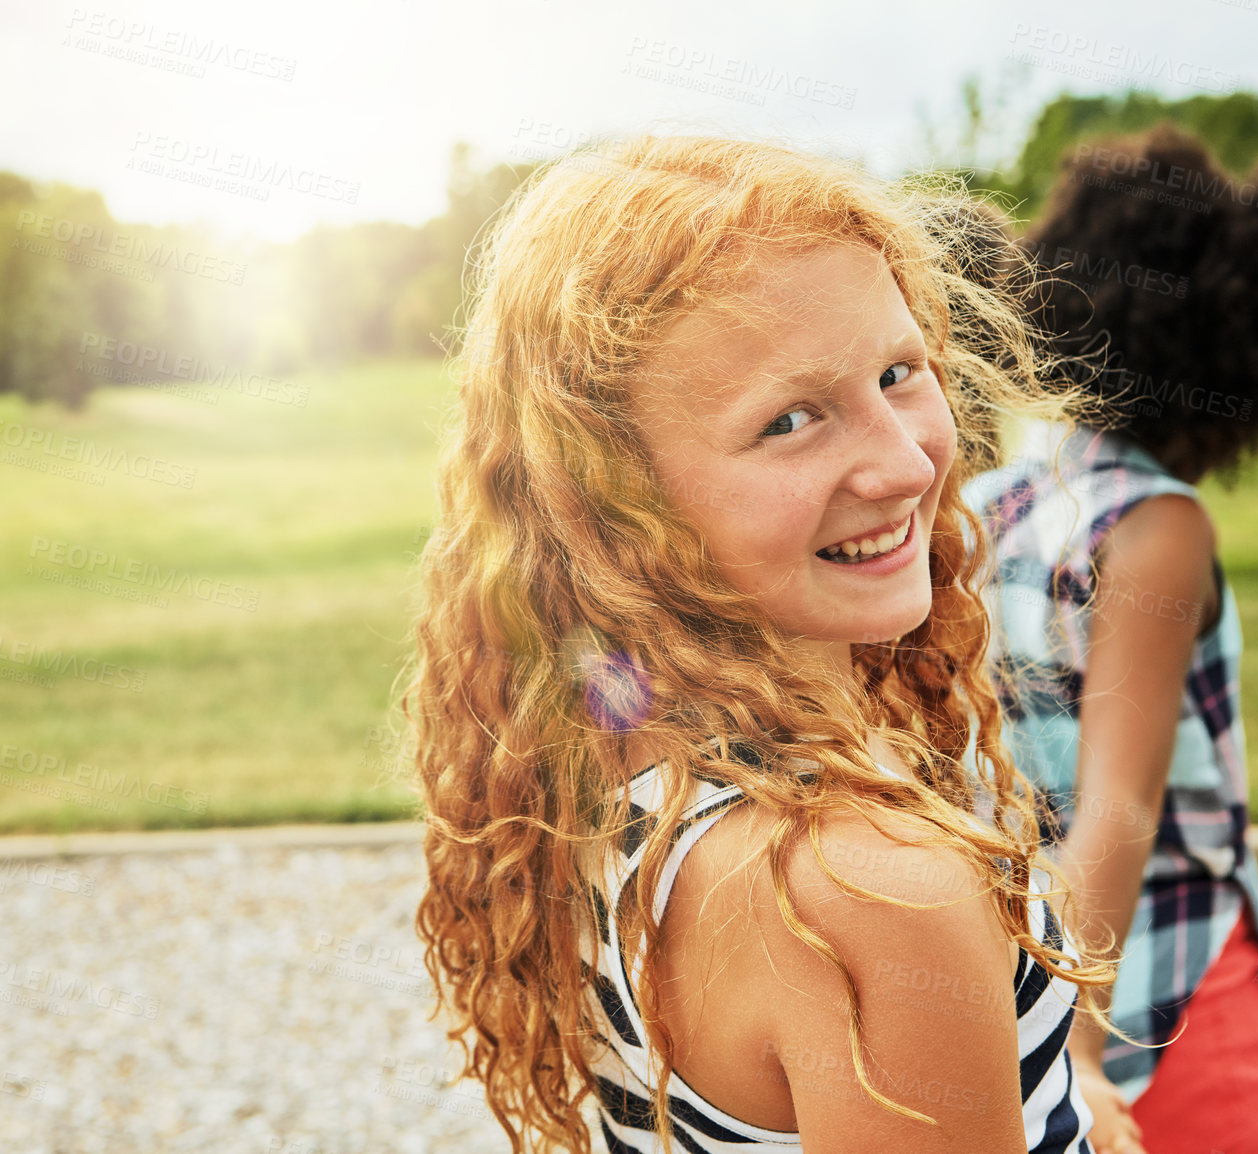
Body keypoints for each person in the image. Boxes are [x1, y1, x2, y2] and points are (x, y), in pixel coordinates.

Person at [403, 133, 1124, 1154]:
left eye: (899, 370)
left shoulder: (611, 754)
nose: (905, 462)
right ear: (619, 496)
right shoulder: (869, 886)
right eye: (789, 419)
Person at [964, 124, 1258, 1154]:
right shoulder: (1156, 527)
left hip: (1014, 972)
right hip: (1156, 990)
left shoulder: (991, 499)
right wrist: (1075, 1046)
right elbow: (1119, 803)